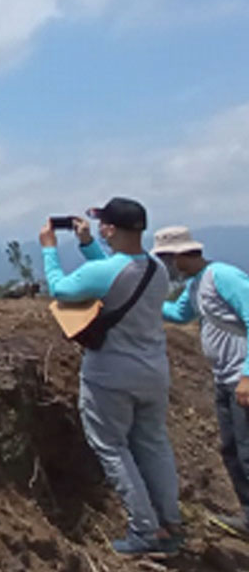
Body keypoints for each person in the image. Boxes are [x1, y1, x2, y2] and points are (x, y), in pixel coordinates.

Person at [41, 198, 181, 555]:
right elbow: (119, 276)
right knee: (154, 444)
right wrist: (88, 245)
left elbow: (62, 289)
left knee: (112, 448)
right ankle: (170, 525)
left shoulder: (107, 271)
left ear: (110, 229)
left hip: (110, 374)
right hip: (154, 372)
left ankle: (144, 531)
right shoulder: (156, 269)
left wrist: (49, 252)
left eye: (102, 224)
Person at [153, 226, 249, 538]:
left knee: (247, 451)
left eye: (168, 259)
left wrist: (248, 374)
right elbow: (180, 314)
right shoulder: (197, 284)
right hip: (225, 379)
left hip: (241, 378)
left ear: (181, 255)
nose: (168, 266)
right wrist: (144, 301)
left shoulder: (223, 276)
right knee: (232, 449)